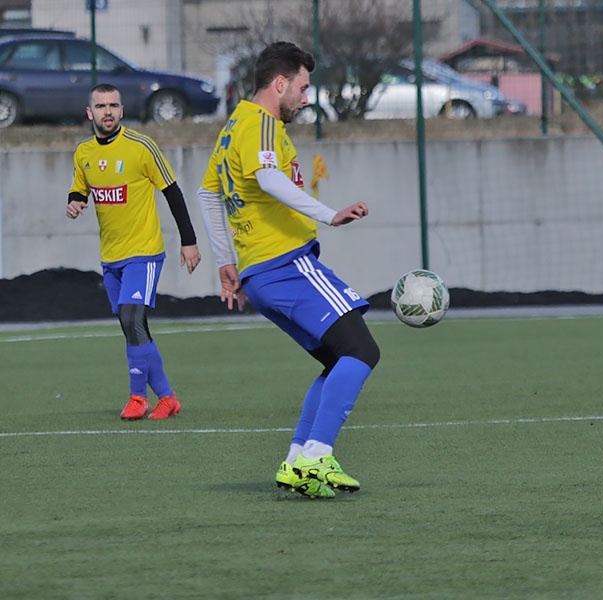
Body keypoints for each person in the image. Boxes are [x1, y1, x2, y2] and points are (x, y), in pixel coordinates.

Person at [196, 41, 379, 500]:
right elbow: (267, 178)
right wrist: (328, 213)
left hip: (260, 274)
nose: (304, 96)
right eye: (302, 86)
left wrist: (226, 263)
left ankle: (300, 460)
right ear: (280, 83)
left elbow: (208, 195)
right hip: (286, 263)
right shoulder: (259, 122)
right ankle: (317, 453)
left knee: (339, 357)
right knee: (361, 350)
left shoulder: (233, 124)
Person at [66, 83, 201, 421]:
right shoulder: (83, 152)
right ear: (90, 113)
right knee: (133, 326)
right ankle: (168, 398)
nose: (107, 111)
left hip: (144, 252)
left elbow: (173, 191)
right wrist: (75, 202)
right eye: (100, 106)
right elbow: (80, 188)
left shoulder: (142, 146)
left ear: (122, 111)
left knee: (131, 318)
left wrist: (188, 240)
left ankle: (137, 398)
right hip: (111, 257)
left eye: (113, 105)